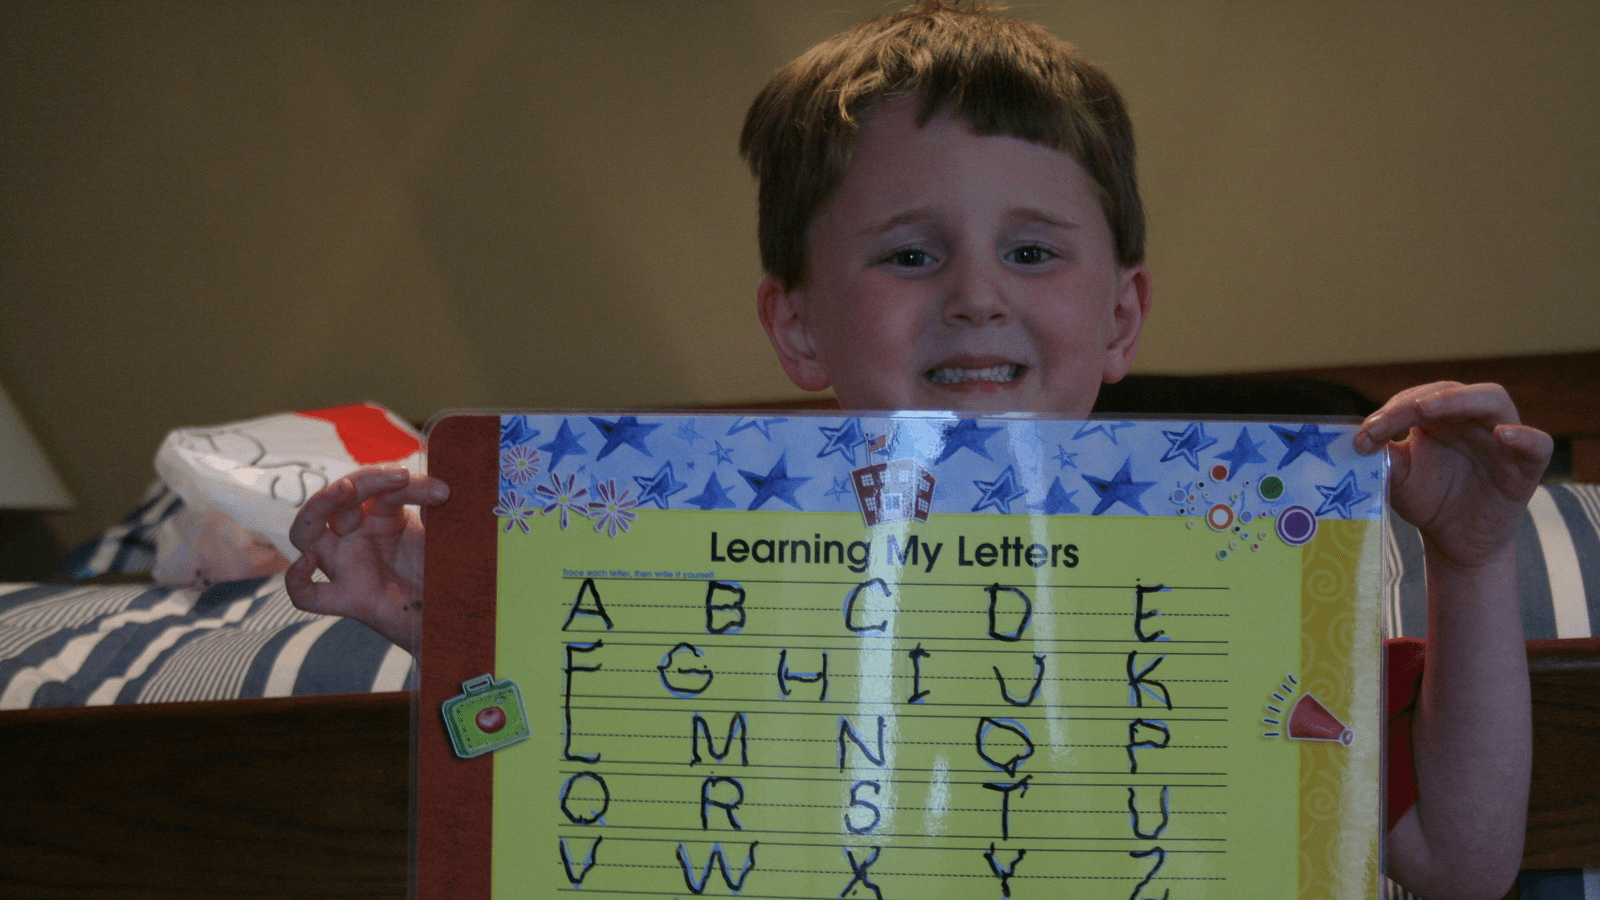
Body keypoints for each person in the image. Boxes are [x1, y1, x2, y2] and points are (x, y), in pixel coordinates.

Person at [287, 4, 1550, 897]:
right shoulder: (707, 573)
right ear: (794, 324)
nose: (975, 294)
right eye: (907, 253)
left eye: (1034, 251)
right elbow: (568, 770)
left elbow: (1461, 859)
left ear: (1121, 316)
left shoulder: (1242, 568)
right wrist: (455, 625)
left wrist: (1477, 559)